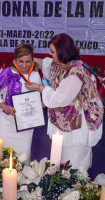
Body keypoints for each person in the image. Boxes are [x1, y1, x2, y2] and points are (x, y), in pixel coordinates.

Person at [25, 33, 104, 170]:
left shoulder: (74, 73)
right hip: (67, 121)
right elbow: (45, 64)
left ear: (62, 51)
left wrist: (40, 88)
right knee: (61, 162)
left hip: (77, 127)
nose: (50, 54)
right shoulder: (60, 64)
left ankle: (76, 189)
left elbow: (59, 99)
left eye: (53, 51)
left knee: (73, 164)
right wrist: (26, 57)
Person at [0, 44, 42, 159]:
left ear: (32, 60)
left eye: (28, 62)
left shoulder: (35, 75)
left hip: (26, 123)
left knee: (23, 155)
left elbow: (37, 96)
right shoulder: (6, 73)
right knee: (4, 153)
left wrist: (40, 103)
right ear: (15, 59)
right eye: (21, 61)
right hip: (6, 121)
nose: (24, 65)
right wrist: (4, 106)